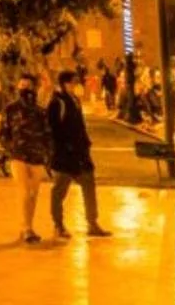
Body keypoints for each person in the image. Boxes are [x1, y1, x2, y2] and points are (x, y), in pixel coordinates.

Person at [47, 70, 111, 239]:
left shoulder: (75, 100)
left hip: (81, 154)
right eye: (73, 82)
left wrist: (85, 143)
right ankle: (58, 225)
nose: (76, 85)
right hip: (64, 156)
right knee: (59, 191)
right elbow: (53, 129)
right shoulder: (57, 103)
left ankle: (92, 223)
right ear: (64, 84)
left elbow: (80, 126)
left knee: (89, 186)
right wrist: (63, 148)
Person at [0, 73, 53, 244]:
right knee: (24, 191)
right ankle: (27, 228)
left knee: (33, 194)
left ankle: (28, 226)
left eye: (28, 86)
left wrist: (47, 154)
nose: (25, 89)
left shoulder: (40, 111)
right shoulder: (10, 109)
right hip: (19, 157)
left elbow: (48, 134)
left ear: (34, 88)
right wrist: (12, 148)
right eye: (22, 86)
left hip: (37, 158)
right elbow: (2, 134)